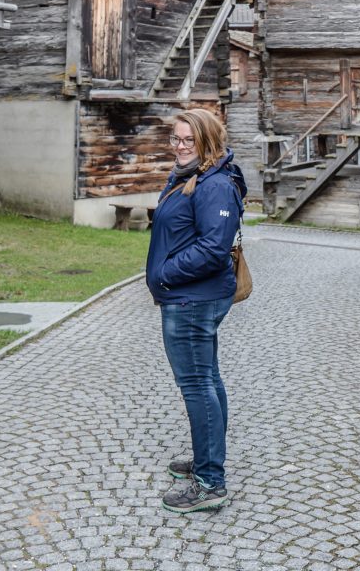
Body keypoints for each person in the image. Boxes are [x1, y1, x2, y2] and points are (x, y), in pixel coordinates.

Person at [145, 109, 246, 513]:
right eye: (175, 139)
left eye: (189, 141)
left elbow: (213, 248)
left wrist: (165, 275)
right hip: (193, 296)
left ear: (208, 143)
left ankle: (209, 482)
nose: (180, 147)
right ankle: (207, 459)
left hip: (190, 299)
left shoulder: (214, 185)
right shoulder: (194, 177)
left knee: (197, 385)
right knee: (208, 379)